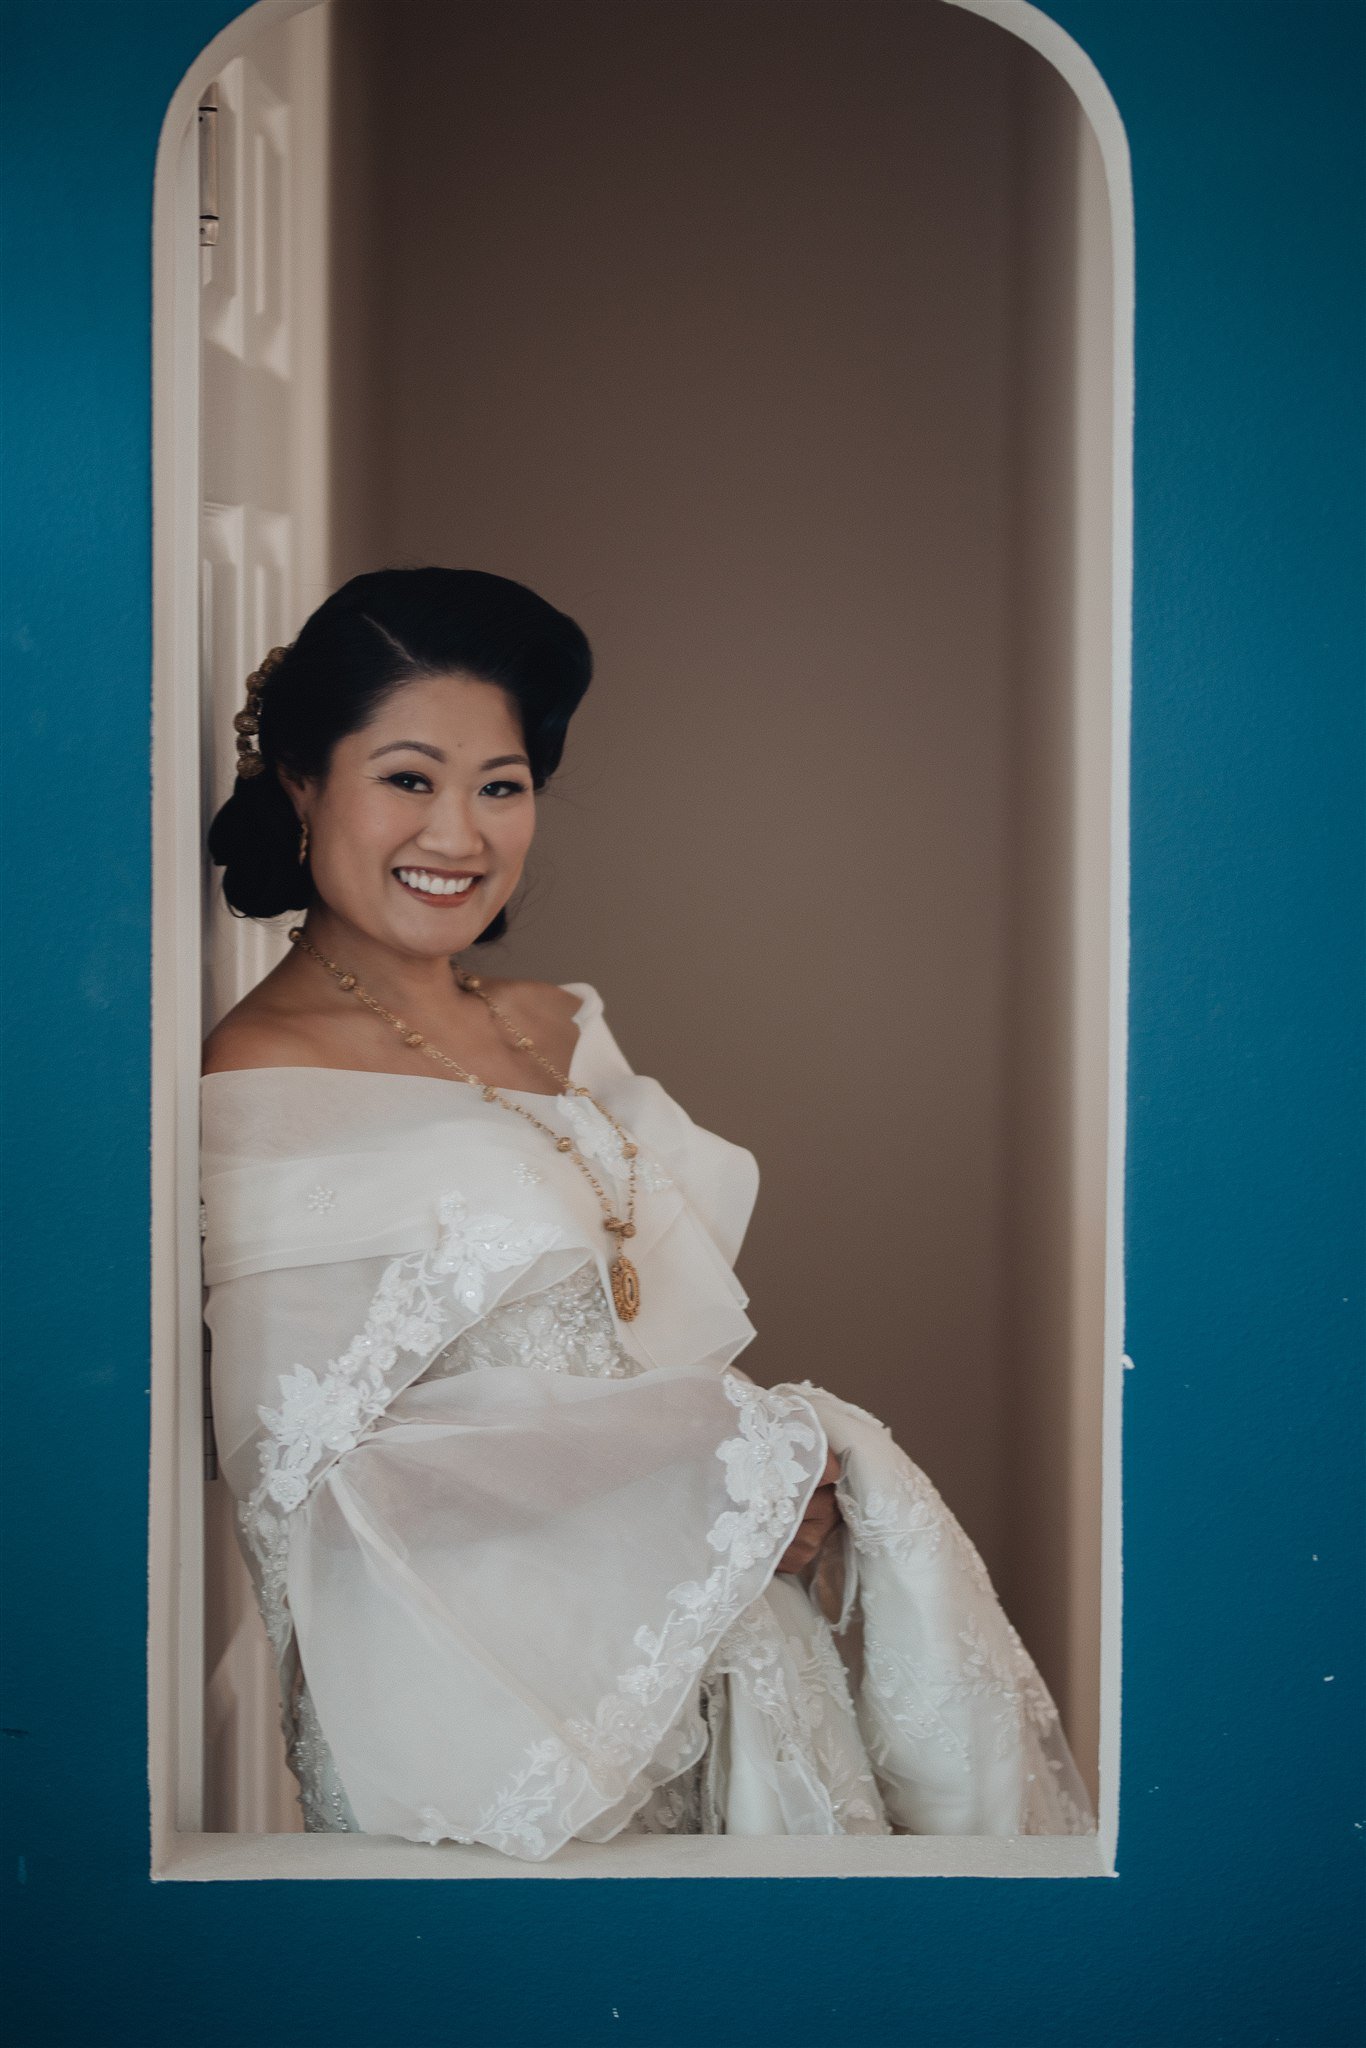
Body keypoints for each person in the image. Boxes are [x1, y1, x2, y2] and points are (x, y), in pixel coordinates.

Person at [200, 566, 1095, 1857]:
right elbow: (312, 1481)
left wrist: (738, 1484)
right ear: (301, 780)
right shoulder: (262, 1082)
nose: (457, 834)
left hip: (720, 1640)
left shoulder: (553, 1022)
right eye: (407, 778)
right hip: (513, 1716)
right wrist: (721, 1471)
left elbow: (639, 1331)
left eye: (499, 786)